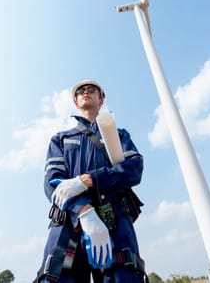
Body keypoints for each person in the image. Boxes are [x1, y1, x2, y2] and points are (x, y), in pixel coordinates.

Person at [34, 80, 147, 283]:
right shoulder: (60, 139)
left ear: (101, 100)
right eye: (80, 91)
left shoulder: (119, 135)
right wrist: (84, 212)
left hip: (116, 221)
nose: (85, 92)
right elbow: (52, 184)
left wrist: (88, 180)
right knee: (57, 276)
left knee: (125, 277)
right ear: (76, 102)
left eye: (91, 89)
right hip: (68, 223)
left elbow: (134, 169)